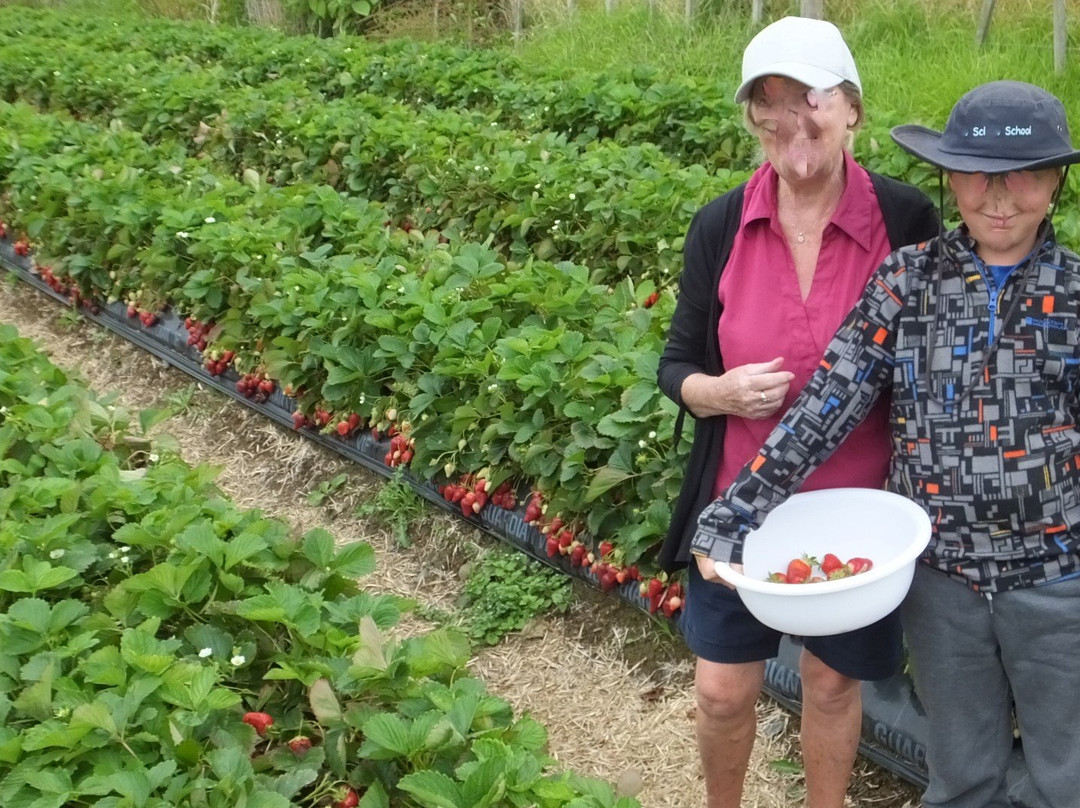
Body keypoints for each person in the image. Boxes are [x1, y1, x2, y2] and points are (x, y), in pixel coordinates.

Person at [691, 80, 1080, 808]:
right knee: (962, 773)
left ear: (1057, 182)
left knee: (1071, 772)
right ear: (949, 178)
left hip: (1058, 580)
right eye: (977, 174)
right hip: (942, 584)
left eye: (1025, 174)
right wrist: (735, 512)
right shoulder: (908, 281)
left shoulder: (1077, 295)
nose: (999, 198)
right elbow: (827, 406)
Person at [656, 15, 938, 808]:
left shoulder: (905, 219)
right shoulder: (721, 224)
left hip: (857, 516)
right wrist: (719, 391)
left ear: (851, 108)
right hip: (742, 504)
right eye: (767, 104)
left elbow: (926, 357)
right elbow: (675, 365)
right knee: (719, 690)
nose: (790, 122)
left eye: (809, 97)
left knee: (832, 686)